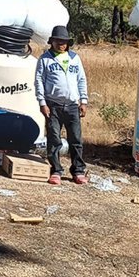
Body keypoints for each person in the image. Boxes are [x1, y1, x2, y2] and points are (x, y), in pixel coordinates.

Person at [34, 25, 89, 185]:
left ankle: (78, 171)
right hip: (53, 105)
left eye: (64, 41)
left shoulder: (74, 58)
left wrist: (83, 101)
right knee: (54, 138)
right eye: (58, 41)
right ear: (52, 41)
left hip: (72, 105)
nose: (61, 44)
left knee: (76, 139)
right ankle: (56, 170)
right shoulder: (45, 59)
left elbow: (81, 79)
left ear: (68, 43)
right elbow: (39, 81)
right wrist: (42, 102)